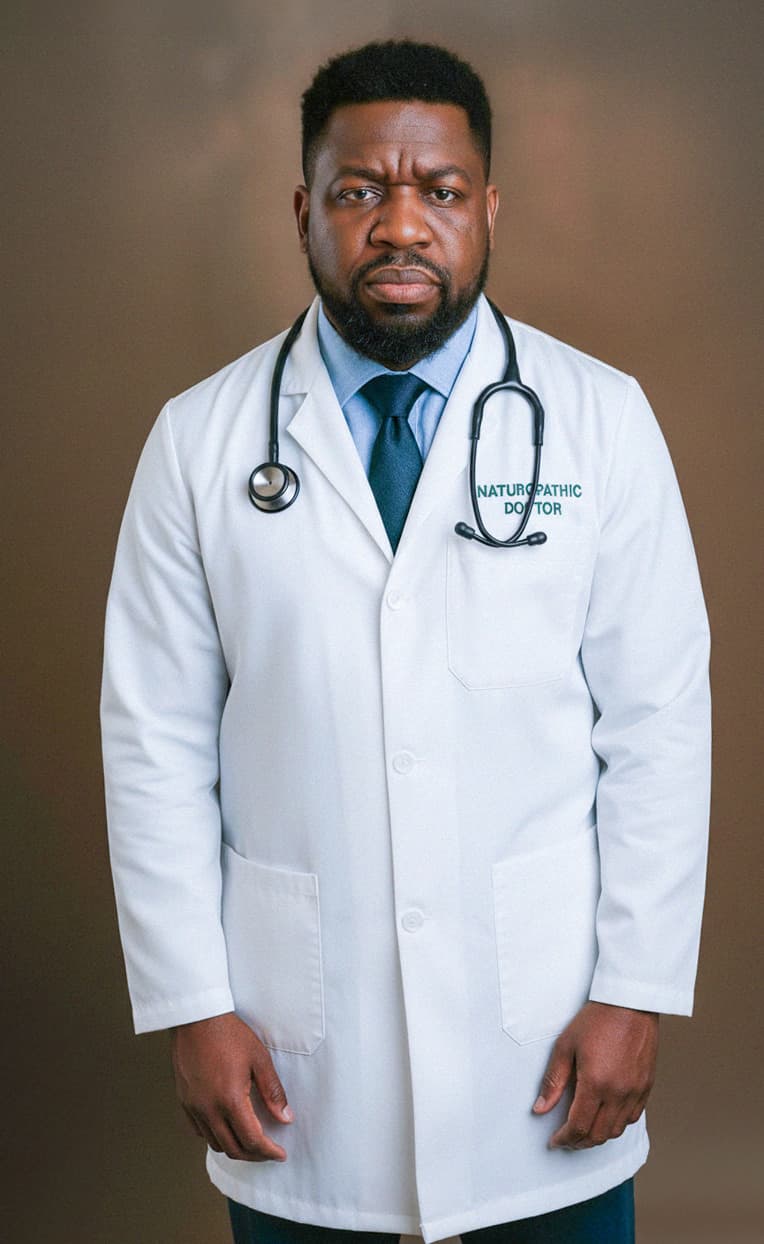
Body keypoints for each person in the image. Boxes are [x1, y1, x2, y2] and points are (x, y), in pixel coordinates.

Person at [100, 39, 711, 1244]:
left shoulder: (600, 420)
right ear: (303, 210)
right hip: (295, 1070)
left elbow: (657, 723)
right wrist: (192, 1004)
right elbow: (153, 740)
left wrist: (633, 991)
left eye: (436, 190)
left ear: (486, 208)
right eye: (358, 190)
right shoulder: (197, 442)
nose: (399, 224)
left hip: (539, 1055)